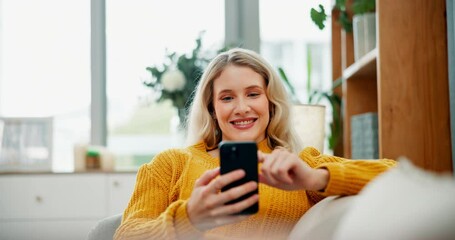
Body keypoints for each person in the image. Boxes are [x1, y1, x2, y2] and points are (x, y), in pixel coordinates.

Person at [114, 48, 396, 240]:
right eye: (227, 98)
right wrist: (189, 218)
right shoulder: (171, 163)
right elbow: (126, 234)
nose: (241, 108)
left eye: (253, 94)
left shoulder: (299, 163)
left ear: (271, 103)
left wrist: (315, 177)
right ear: (212, 109)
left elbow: (395, 175)